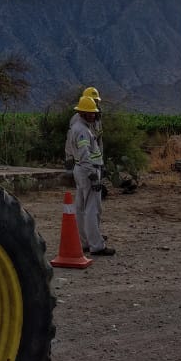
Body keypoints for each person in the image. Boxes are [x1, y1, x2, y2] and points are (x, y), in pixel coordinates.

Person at [65, 93, 114, 256]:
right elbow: (85, 153)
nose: (94, 114)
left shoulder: (79, 126)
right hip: (88, 170)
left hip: (82, 170)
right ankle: (96, 245)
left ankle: (85, 241)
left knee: (82, 207)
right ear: (82, 113)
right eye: (91, 112)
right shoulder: (82, 130)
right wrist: (94, 174)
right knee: (93, 209)